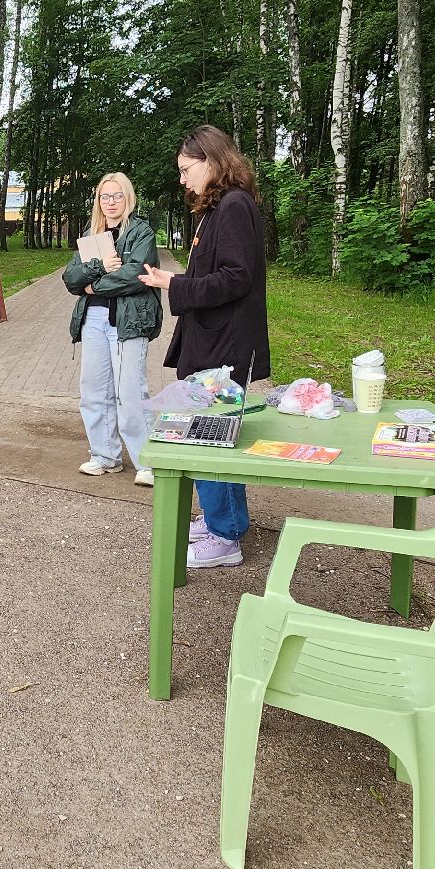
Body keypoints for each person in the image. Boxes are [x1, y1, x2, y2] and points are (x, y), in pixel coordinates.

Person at [139, 125, 272, 569]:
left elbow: (237, 278)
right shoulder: (218, 207)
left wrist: (175, 284)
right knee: (211, 436)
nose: (181, 179)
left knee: (208, 436)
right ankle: (225, 519)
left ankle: (225, 536)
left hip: (224, 346)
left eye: (185, 169)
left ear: (211, 161)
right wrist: (171, 282)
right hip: (212, 340)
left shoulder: (234, 206)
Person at [63, 172, 164, 487]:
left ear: (128, 198)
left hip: (128, 321)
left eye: (117, 195)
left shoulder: (140, 231)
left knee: (130, 391)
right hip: (92, 321)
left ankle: (146, 461)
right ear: (98, 201)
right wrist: (99, 268)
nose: (110, 202)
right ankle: (104, 457)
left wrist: (92, 287)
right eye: (105, 197)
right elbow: (70, 278)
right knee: (94, 390)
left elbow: (135, 275)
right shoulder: (91, 234)